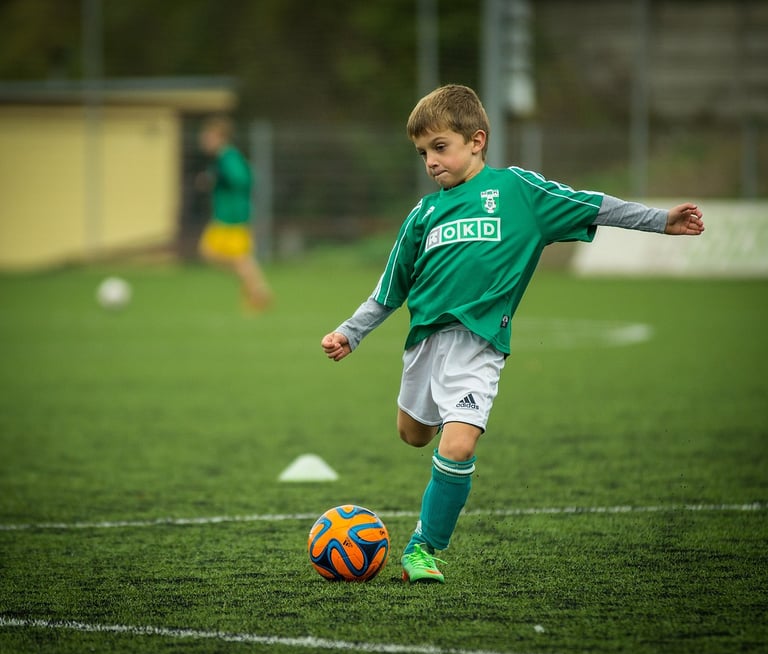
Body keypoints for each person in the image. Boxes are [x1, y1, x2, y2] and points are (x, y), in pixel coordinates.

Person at [320, 84, 704, 584]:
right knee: (413, 435)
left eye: (440, 147)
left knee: (457, 447)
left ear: (476, 140)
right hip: (425, 346)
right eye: (422, 153)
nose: (431, 161)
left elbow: (592, 204)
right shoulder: (423, 215)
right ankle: (445, 428)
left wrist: (659, 220)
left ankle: (423, 548)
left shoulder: (519, 191)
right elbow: (389, 289)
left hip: (480, 346)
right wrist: (351, 333)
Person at [197, 115, 272, 311]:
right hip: (225, 216)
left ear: (220, 137)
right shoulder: (222, 159)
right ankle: (256, 288)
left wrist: (219, 177)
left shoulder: (228, 157)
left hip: (233, 217)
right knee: (215, 254)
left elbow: (243, 179)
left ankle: (258, 291)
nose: (204, 139)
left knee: (233, 257)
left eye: (208, 136)